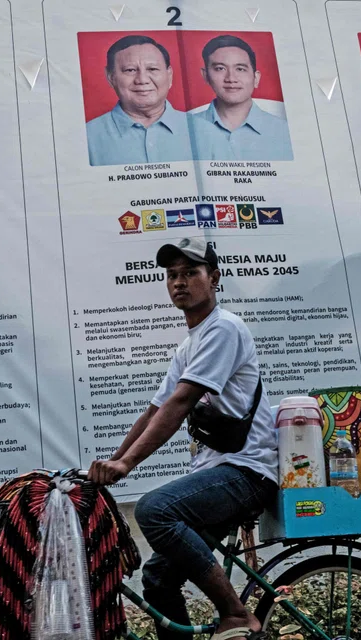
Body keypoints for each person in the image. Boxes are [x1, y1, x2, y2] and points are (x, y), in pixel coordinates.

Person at [88, 237, 278, 640]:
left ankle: (237, 614)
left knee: (155, 510)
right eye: (172, 275)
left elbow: (181, 402)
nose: (179, 282)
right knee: (157, 580)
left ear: (214, 278)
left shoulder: (223, 328)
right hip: (221, 472)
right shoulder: (190, 344)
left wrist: (127, 465)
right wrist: (109, 462)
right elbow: (155, 410)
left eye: (191, 272)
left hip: (246, 473)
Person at [86, 35, 193, 166]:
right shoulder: (86, 138)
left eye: (152, 69)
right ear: (111, 78)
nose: (142, 80)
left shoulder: (204, 131)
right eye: (130, 70)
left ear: (169, 75)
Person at [190, 35, 292, 161]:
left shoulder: (285, 131)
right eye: (220, 68)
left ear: (256, 78)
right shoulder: (186, 129)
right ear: (205, 75)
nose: (231, 78)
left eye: (240, 69)